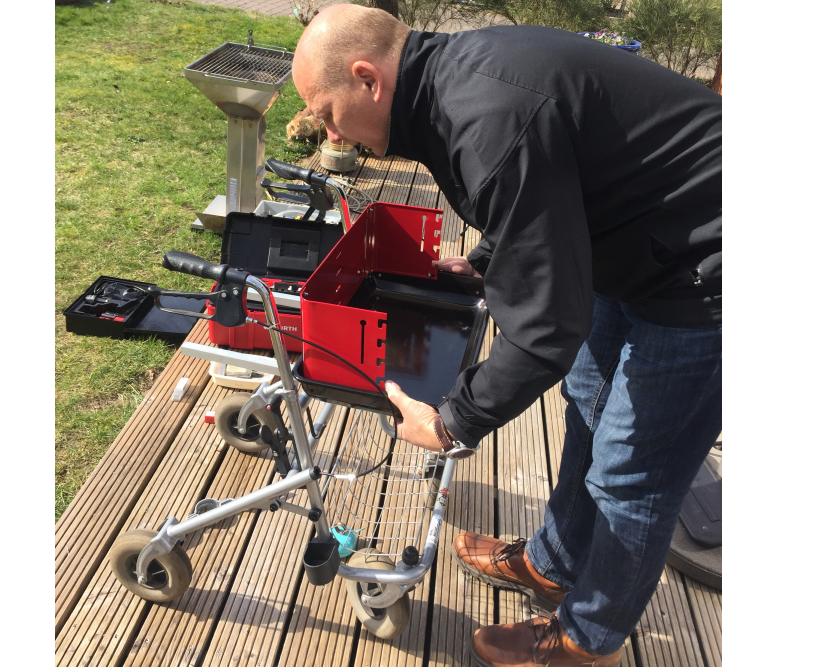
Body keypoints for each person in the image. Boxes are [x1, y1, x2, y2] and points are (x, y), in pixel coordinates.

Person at [292, 5, 722, 667]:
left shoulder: (484, 115)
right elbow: (551, 184)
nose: (328, 129)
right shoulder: (453, 84)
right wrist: (489, 259)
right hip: (636, 241)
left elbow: (545, 328)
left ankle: (589, 641)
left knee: (631, 477)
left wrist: (453, 421)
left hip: (704, 272)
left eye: (325, 110)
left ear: (367, 79)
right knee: (588, 406)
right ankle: (556, 561)